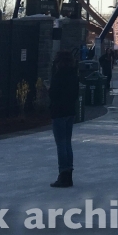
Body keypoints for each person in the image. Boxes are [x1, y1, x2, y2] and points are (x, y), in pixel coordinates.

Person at [48, 50, 80, 188]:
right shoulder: (74, 75)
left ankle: (63, 174)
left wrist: (48, 89)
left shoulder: (58, 75)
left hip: (59, 111)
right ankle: (69, 172)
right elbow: (76, 94)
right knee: (67, 143)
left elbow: (53, 94)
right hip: (70, 111)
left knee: (60, 144)